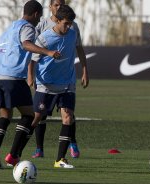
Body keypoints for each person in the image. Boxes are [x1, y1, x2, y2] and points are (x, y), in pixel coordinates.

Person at [0, 0, 60, 168]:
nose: (39, 20)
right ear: (35, 14)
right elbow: (26, 44)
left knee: (5, 116)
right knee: (29, 116)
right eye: (39, 16)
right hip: (13, 77)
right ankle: (13, 156)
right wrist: (48, 52)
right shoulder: (27, 27)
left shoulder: (11, 27)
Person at [28, 0, 88, 159]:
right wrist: (31, 75)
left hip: (66, 80)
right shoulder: (42, 26)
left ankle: (69, 147)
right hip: (46, 80)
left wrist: (84, 70)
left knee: (68, 115)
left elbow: (79, 48)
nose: (59, 7)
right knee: (39, 116)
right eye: (56, 5)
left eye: (61, 5)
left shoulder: (72, 28)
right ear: (50, 7)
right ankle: (34, 148)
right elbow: (33, 52)